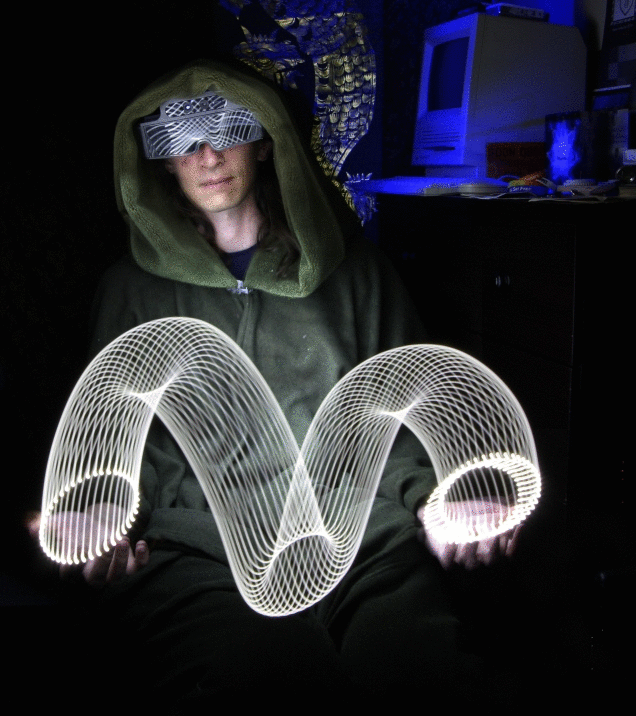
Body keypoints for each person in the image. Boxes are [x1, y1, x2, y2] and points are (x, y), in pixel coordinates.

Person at [31, 58, 519, 711]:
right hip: (195, 548)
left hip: (359, 534)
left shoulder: (357, 275)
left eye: (226, 129)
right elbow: (110, 439)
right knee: (263, 679)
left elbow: (406, 409)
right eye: (182, 138)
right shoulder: (130, 292)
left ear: (264, 141)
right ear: (162, 160)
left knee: (418, 672)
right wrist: (99, 515)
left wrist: (435, 501)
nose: (207, 155)